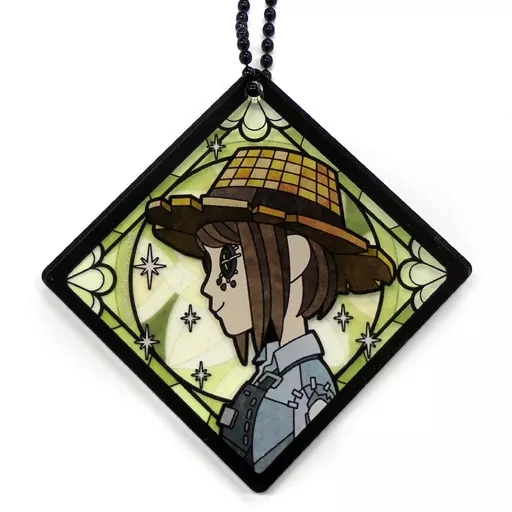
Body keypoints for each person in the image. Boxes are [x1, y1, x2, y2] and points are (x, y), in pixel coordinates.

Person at [147, 147, 395, 472]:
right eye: (208, 265)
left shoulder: (305, 390)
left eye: (227, 262)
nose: (208, 286)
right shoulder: (272, 372)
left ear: (294, 258)